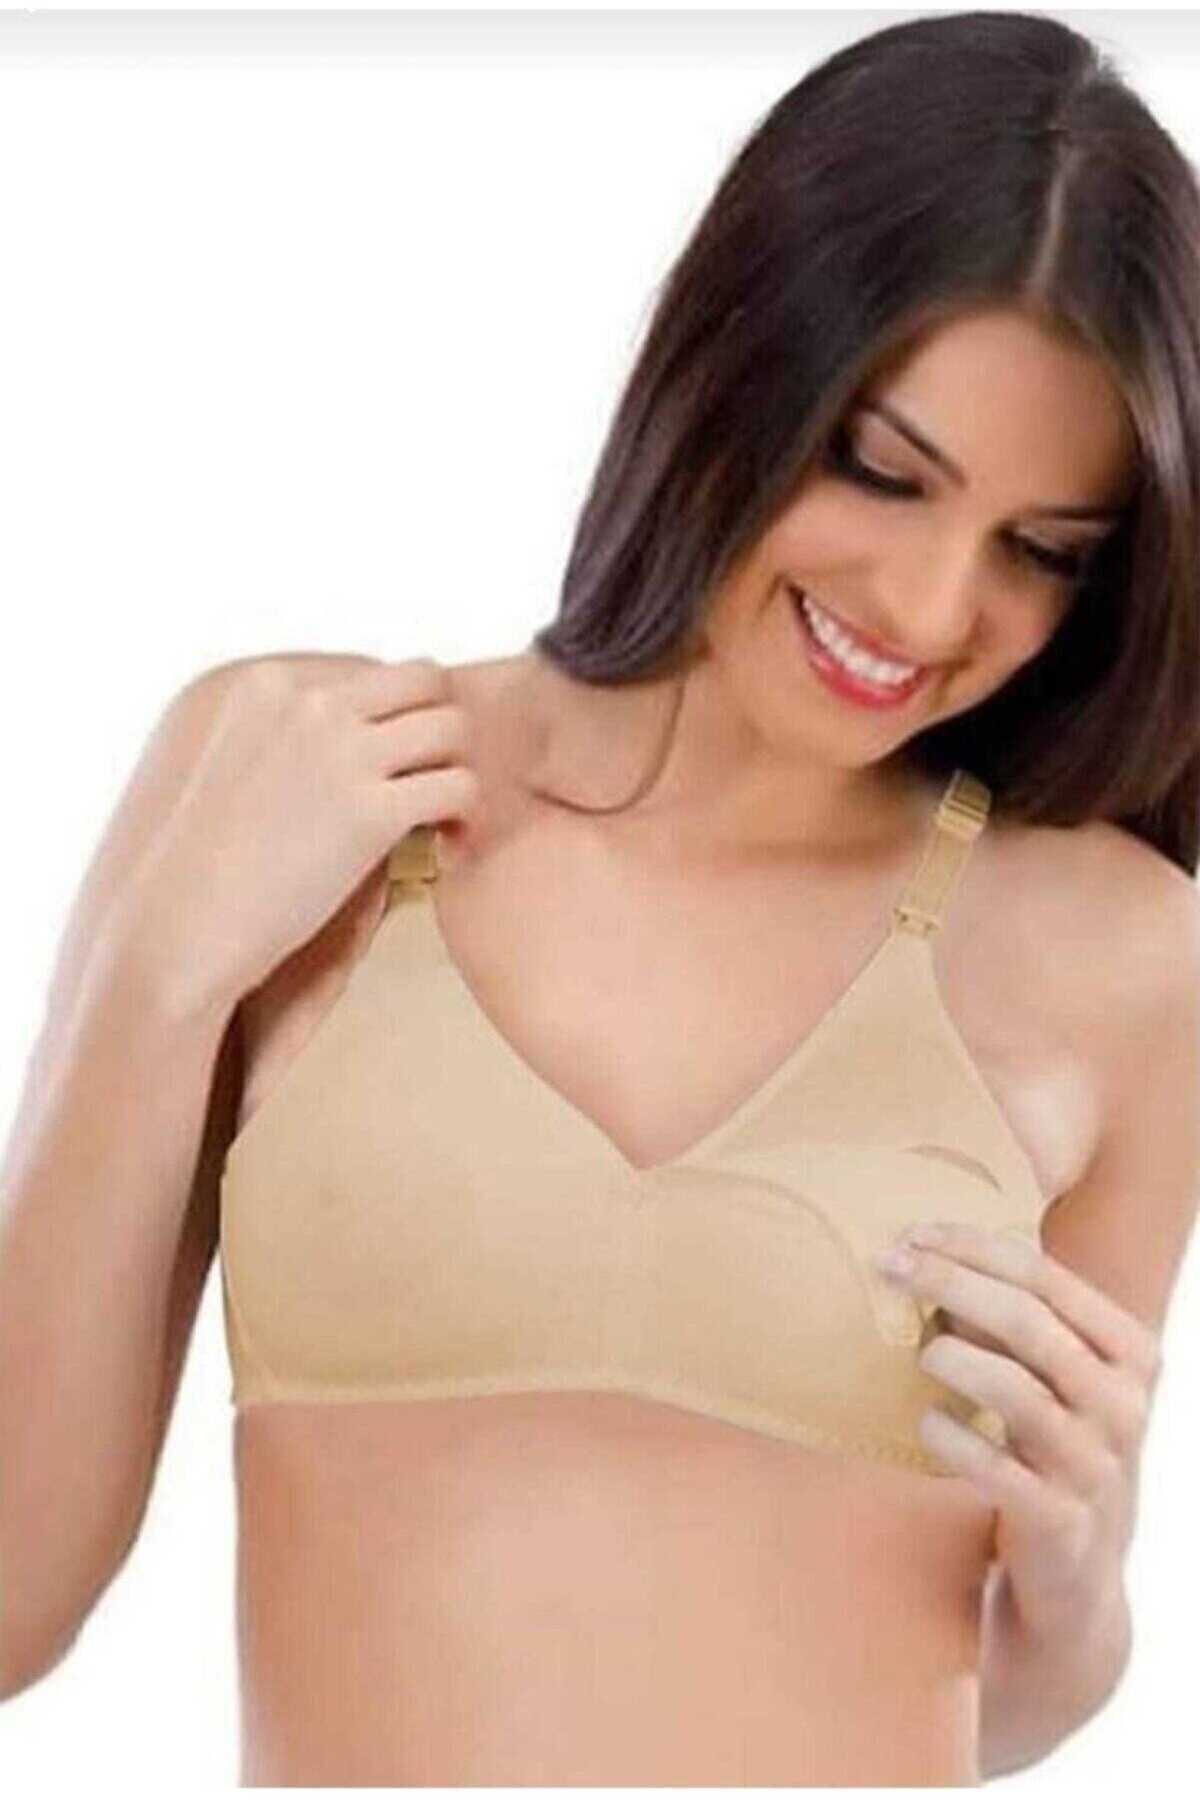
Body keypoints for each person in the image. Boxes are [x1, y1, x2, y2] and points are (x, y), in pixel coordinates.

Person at [2, 9, 1199, 1787]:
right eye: (883, 470)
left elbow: (995, 1690)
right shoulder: (289, 774)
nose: (933, 606)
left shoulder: (1123, 955)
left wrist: (1082, 1586)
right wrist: (157, 976)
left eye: (1041, 552)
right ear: (740, 355)